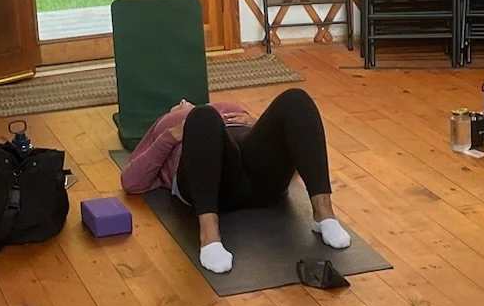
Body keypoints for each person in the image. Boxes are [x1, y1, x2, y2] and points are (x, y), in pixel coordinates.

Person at [119, 88, 351, 275]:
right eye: (178, 104)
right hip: (216, 186)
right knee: (202, 117)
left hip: (259, 176)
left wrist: (258, 123)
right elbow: (131, 181)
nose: (183, 100)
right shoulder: (167, 125)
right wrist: (171, 135)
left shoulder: (227, 107)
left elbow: (296, 161)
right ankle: (210, 238)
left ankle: (324, 216)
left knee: (295, 99)